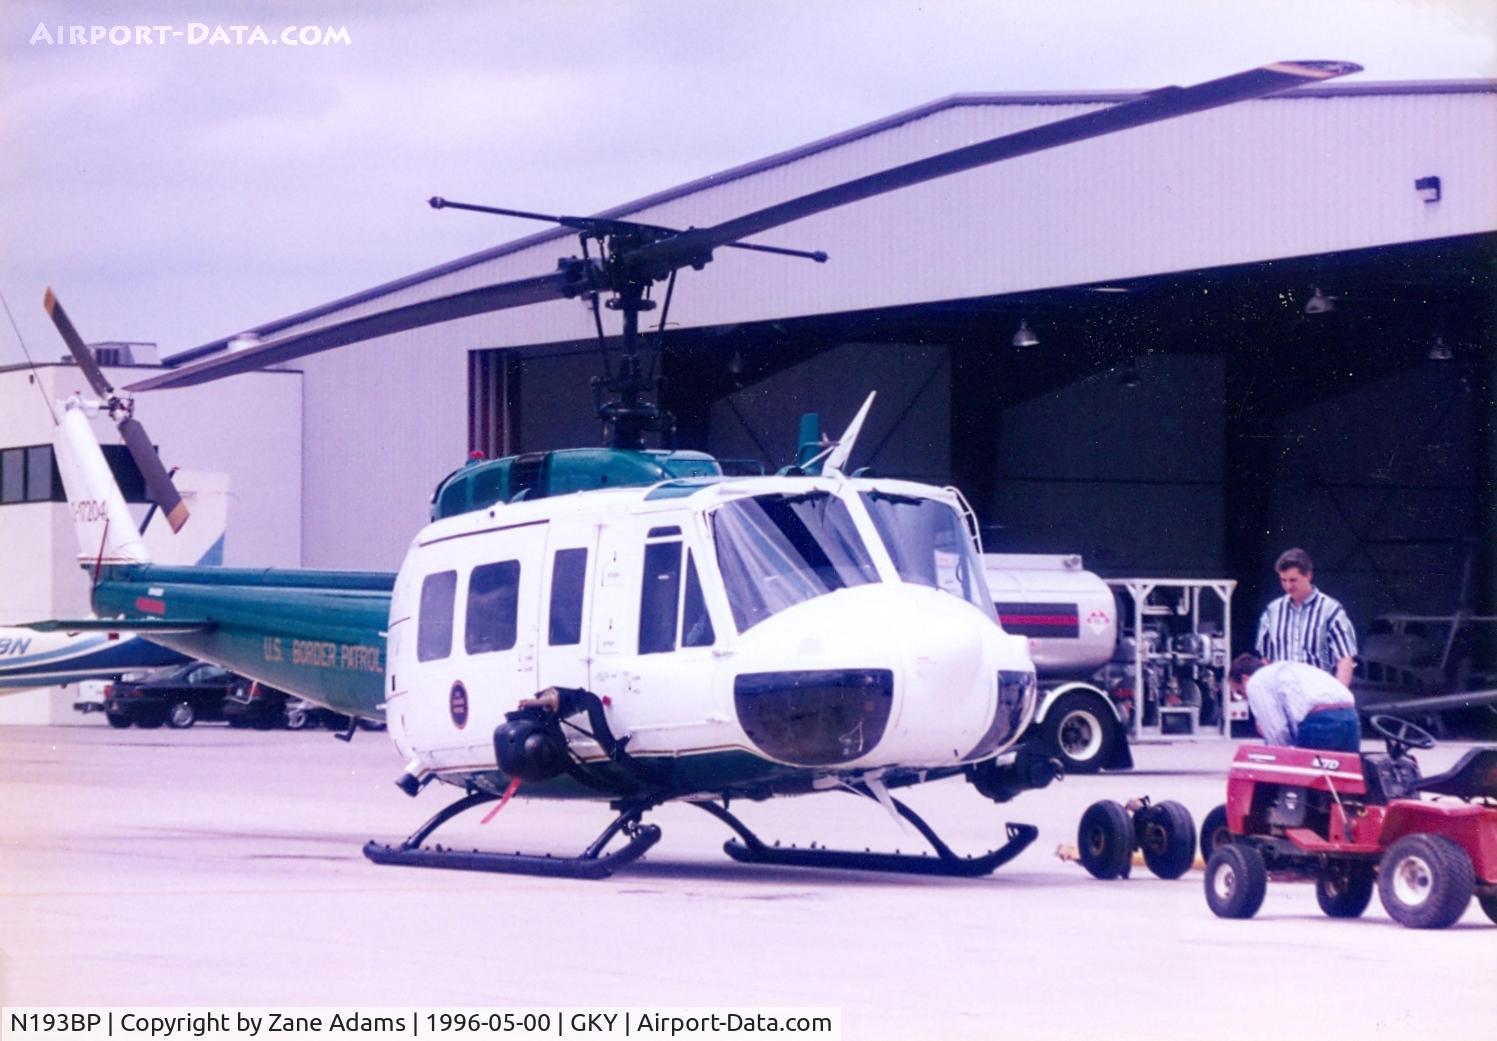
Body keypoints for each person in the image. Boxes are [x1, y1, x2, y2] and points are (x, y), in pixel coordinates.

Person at [1256, 547, 1358, 686]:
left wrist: (1338, 698)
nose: (1288, 586)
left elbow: (1345, 659)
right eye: (1283, 580)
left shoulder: (1331, 611)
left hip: (1320, 695)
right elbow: (1266, 660)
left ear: (1308, 576)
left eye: (1293, 580)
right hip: (1284, 695)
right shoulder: (1272, 612)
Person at [1228, 652, 1361, 752]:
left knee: (1311, 782)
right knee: (1345, 780)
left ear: (1245, 679)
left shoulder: (1256, 682)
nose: (1244, 697)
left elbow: (1277, 732)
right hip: (1349, 714)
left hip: (1320, 719)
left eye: (1240, 692)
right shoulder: (1287, 669)